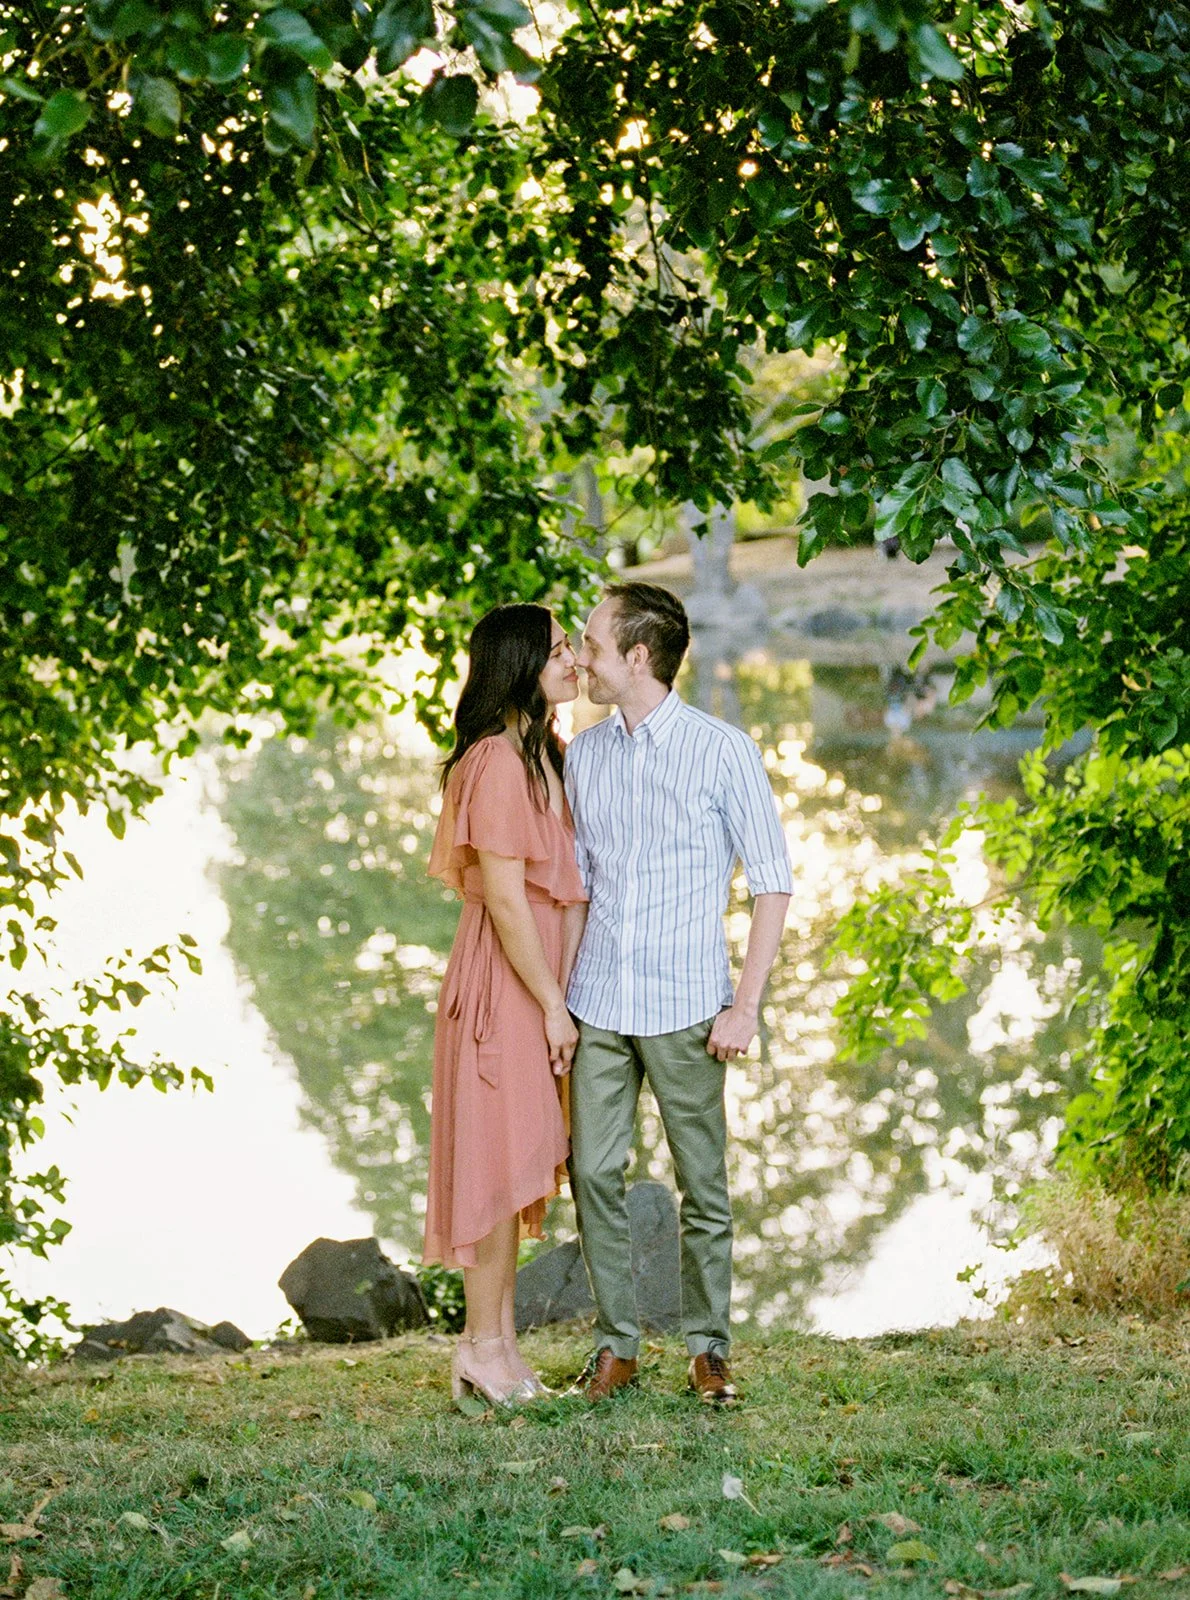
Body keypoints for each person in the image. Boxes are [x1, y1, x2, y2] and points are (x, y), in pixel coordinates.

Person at [565, 582, 793, 1404]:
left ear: (637, 656)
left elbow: (772, 884)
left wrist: (746, 1004)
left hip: (690, 1004)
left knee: (704, 1185)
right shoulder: (582, 756)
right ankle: (618, 1345)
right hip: (596, 1001)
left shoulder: (722, 750)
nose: (581, 658)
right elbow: (578, 889)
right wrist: (558, 1002)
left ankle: (708, 1349)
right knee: (592, 1173)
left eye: (592, 644)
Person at [422, 603, 587, 1408]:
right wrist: (554, 1004)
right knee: (495, 1167)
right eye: (559, 649)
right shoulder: (492, 761)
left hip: (543, 984)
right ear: (520, 662)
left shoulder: (546, 752)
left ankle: (502, 1350)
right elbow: (508, 899)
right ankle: (480, 1348)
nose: (574, 660)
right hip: (508, 985)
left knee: (521, 1166)